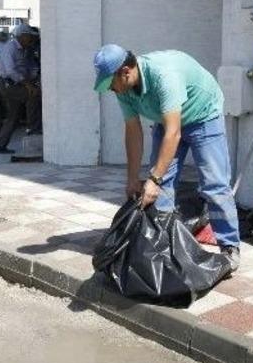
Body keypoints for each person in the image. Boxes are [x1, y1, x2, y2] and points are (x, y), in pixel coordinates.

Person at [93, 44, 241, 270]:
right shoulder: (124, 89)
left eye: (110, 84)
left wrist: (154, 179)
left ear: (125, 71)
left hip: (203, 116)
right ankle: (161, 245)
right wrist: (133, 178)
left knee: (214, 185)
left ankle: (230, 247)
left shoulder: (164, 76)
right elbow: (133, 131)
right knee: (160, 189)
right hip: (167, 121)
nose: (110, 90)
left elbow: (174, 133)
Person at [0, 24, 41, 154]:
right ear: (22, 36)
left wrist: (35, 78)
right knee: (33, 95)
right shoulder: (11, 47)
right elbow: (10, 71)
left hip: (17, 84)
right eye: (29, 37)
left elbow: (30, 68)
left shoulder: (26, 49)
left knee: (13, 116)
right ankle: (32, 128)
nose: (31, 40)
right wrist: (28, 84)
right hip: (7, 84)